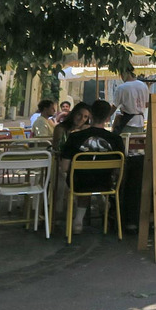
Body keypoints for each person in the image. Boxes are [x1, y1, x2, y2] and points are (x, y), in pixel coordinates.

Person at [61, 100, 125, 234]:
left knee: (83, 177)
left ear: (90, 115)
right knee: (95, 178)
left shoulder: (74, 137)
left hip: (79, 183)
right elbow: (119, 170)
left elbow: (65, 167)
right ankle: (104, 205)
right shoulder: (116, 140)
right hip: (106, 183)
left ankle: (78, 221)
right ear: (108, 118)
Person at [112, 69, 148, 134]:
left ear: (124, 73)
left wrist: (106, 117)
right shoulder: (144, 86)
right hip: (141, 122)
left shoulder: (122, 88)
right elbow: (147, 104)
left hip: (128, 122)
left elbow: (114, 106)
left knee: (125, 140)